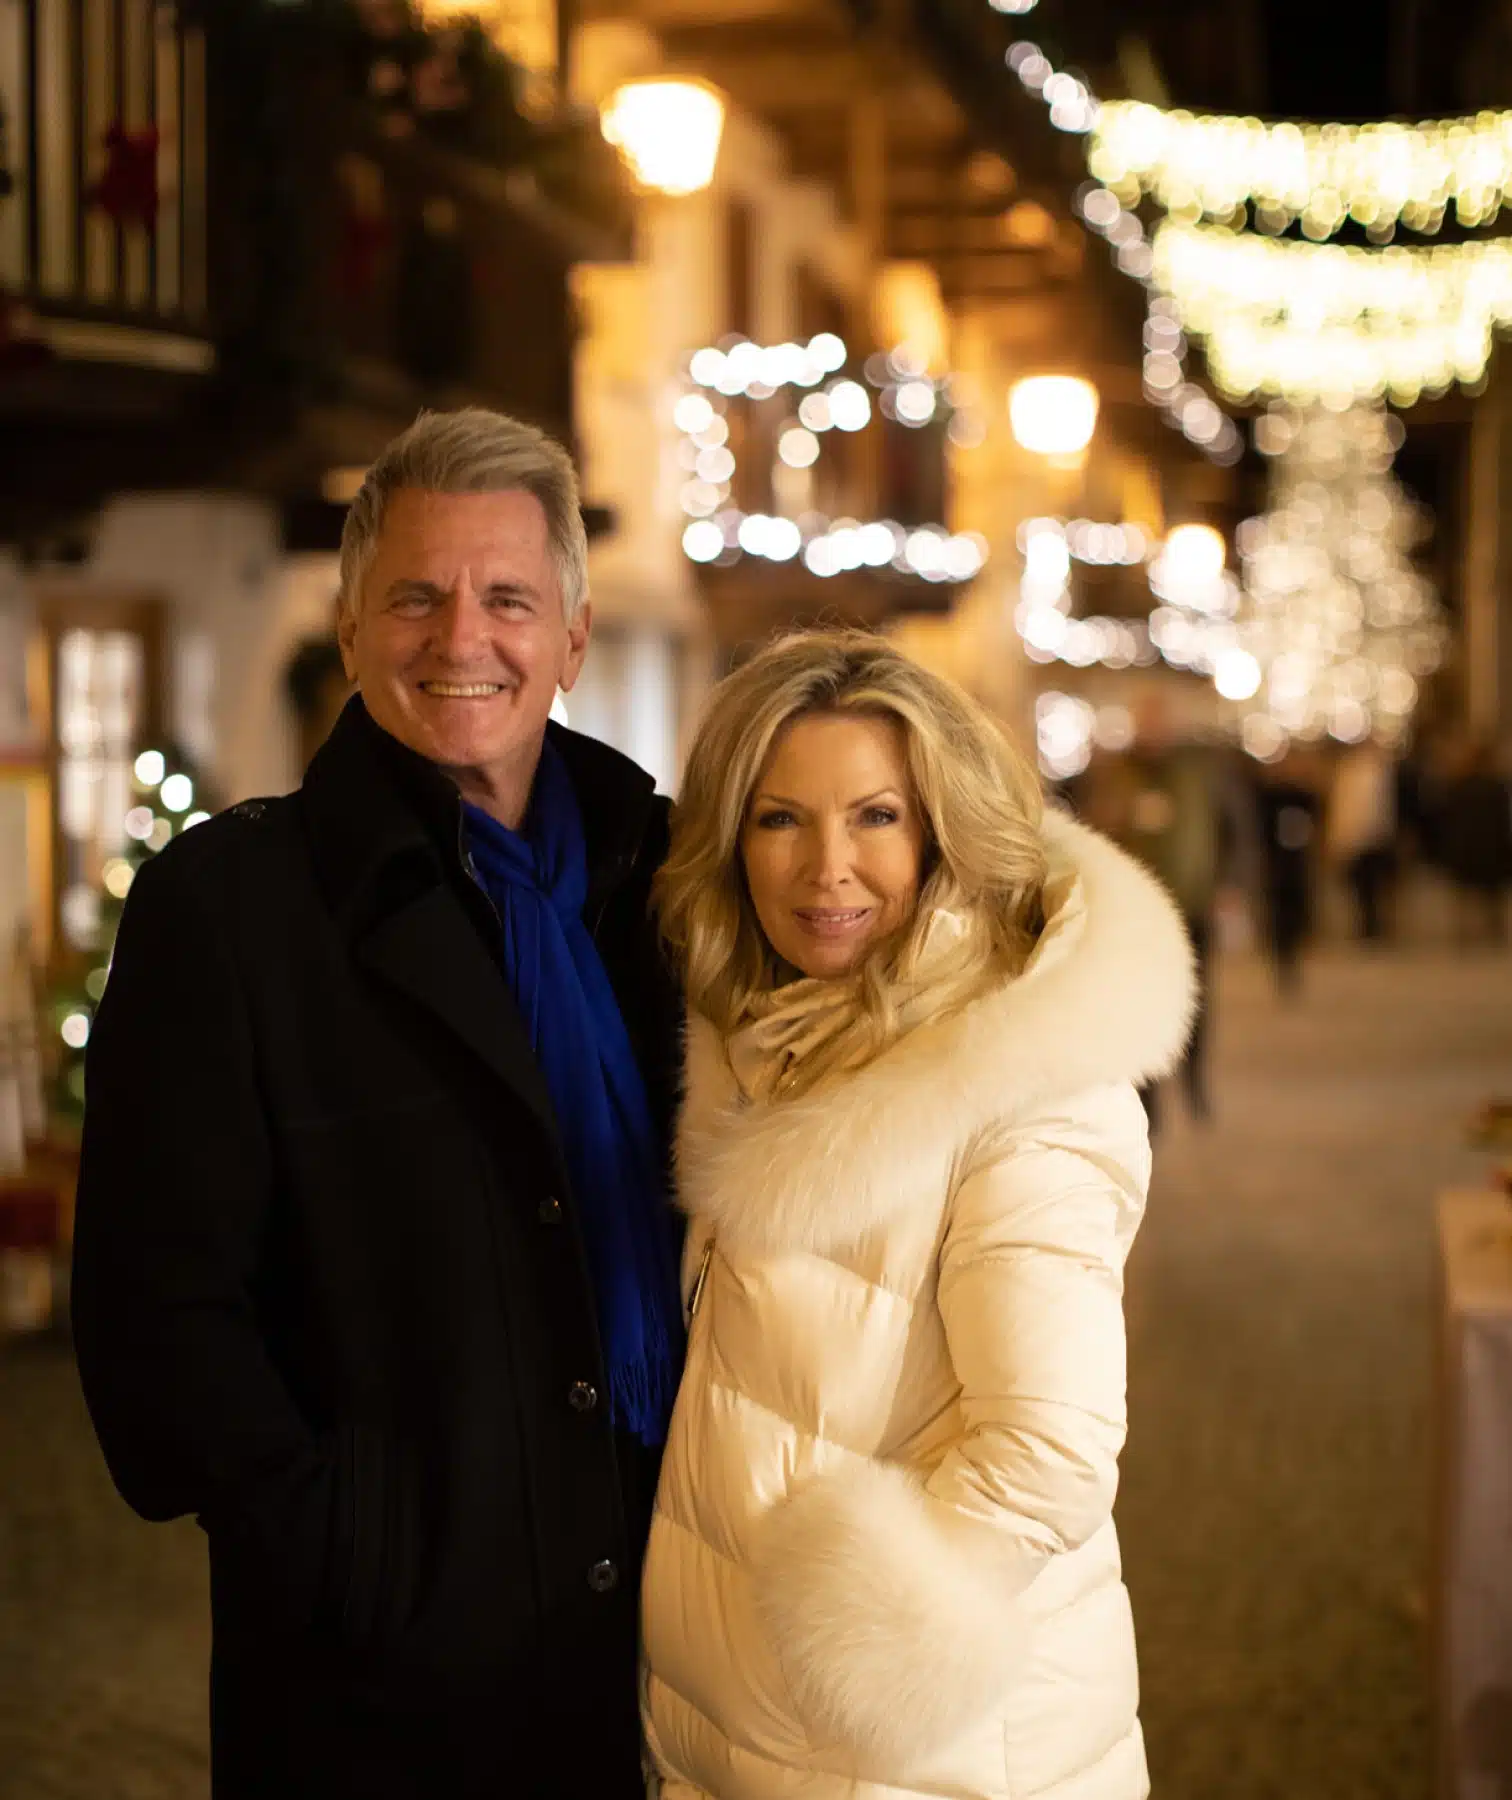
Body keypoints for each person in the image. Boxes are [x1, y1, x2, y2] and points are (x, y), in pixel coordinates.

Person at [70, 409, 684, 1798]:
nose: (461, 638)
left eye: (508, 599)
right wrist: (356, 1550)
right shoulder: (229, 914)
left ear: (572, 641)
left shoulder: (668, 893)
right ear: (349, 630)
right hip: (382, 1704)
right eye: (414, 595)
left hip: (674, 1667)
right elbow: (155, 1325)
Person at [641, 631, 1194, 1800]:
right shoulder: (762, 1038)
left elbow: (1048, 1453)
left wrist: (866, 1655)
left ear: (942, 826)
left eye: (876, 817)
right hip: (744, 1728)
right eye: (779, 819)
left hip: (913, 1758)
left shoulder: (1018, 1078)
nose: (824, 868)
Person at [1440, 736, 1512, 947]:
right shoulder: (1497, 786)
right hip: (1491, 846)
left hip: (1466, 846)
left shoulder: (1459, 785)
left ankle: (1464, 932)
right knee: (1492, 894)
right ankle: (1493, 930)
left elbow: (1448, 818)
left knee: (1465, 893)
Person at [1325, 739, 1398, 942]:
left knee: (1371, 887)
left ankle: (1373, 924)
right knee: (1364, 888)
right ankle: (1369, 924)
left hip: (1370, 839)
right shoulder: (1350, 773)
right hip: (1361, 839)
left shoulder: (1375, 772)